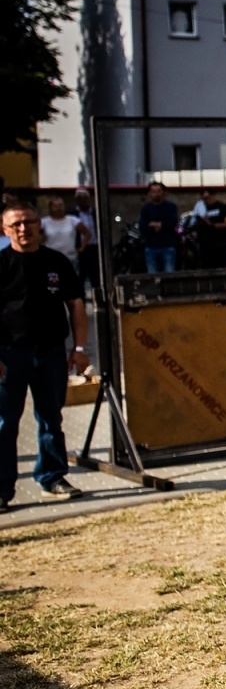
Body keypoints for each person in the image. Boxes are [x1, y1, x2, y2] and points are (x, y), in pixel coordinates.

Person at [0, 200, 91, 510]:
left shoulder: (57, 262)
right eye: (16, 224)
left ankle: (52, 478)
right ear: (5, 229)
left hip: (51, 353)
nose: (24, 228)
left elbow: (76, 304)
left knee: (51, 419)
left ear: (40, 225)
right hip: (9, 355)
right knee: (4, 423)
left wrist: (79, 349)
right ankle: (2, 489)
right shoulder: (1, 264)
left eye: (29, 222)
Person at [138, 182, 180, 273]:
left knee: (169, 274)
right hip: (151, 247)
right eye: (153, 191)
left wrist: (158, 225)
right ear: (149, 193)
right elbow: (142, 227)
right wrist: (158, 225)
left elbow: (172, 222)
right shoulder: (146, 209)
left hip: (168, 246)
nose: (156, 194)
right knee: (153, 276)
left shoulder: (171, 207)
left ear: (164, 193)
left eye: (159, 191)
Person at [39, 196, 89, 271]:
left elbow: (87, 233)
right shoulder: (44, 222)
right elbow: (36, 235)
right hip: (50, 259)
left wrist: (81, 248)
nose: (59, 208)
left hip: (70, 258)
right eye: (56, 206)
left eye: (61, 205)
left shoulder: (73, 220)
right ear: (50, 208)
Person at [191, 187, 226, 269]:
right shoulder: (200, 208)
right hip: (205, 246)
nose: (206, 200)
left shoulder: (222, 207)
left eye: (207, 198)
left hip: (220, 245)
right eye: (203, 198)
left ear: (213, 196)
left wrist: (213, 225)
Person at [73, 188, 99, 293]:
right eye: (80, 198)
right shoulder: (73, 215)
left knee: (95, 276)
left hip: (94, 247)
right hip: (81, 248)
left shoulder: (96, 213)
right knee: (80, 276)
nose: (83, 201)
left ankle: (98, 298)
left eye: (85, 198)